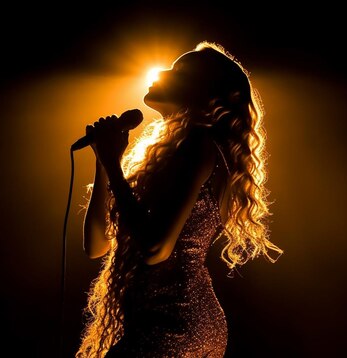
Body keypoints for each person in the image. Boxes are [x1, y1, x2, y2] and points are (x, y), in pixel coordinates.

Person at [75, 42, 283, 357]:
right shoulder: (174, 152)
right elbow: (96, 245)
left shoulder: (198, 145)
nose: (162, 73)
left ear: (203, 92)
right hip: (166, 321)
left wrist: (114, 165)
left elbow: (155, 249)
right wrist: (104, 163)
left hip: (175, 322)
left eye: (179, 71)